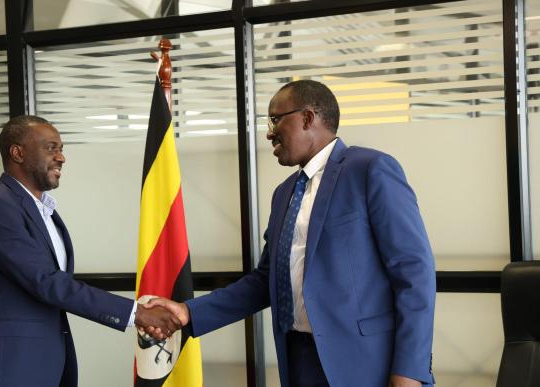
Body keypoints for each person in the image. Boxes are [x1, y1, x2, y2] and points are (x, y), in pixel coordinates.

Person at [146, 80, 436, 387]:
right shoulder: (283, 194)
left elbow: (414, 274)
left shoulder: (370, 170)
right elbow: (264, 281)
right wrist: (188, 313)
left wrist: (410, 371)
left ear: (308, 118)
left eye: (275, 119)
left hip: (366, 364)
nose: (269, 132)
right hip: (299, 360)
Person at [0, 115, 181, 387]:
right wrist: (136, 313)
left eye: (61, 149)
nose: (61, 158)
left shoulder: (46, 212)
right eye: (51, 148)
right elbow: (46, 282)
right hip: (5, 365)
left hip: (46, 362)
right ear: (17, 152)